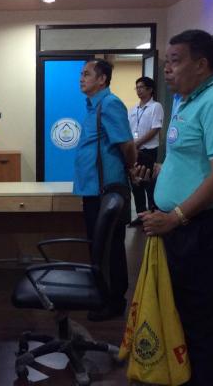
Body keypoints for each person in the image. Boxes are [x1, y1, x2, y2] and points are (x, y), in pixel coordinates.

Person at [139, 29, 213, 385]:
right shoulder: (185, 101)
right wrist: (157, 172)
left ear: (201, 65)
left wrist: (175, 217)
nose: (167, 69)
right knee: (178, 311)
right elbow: (187, 161)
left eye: (175, 61)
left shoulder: (212, 101)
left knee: (200, 316)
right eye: (166, 62)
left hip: (198, 228)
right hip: (177, 228)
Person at [74, 59, 137, 321]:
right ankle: (102, 295)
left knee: (110, 248)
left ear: (102, 79)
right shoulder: (93, 106)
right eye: (81, 74)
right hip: (93, 190)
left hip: (107, 191)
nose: (81, 78)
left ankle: (114, 301)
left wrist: (130, 167)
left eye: (87, 74)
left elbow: (127, 145)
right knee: (98, 247)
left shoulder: (110, 104)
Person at [128, 77, 163, 226]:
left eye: (141, 87)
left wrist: (138, 143)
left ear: (150, 89)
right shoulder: (133, 109)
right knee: (136, 184)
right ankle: (141, 215)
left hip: (148, 150)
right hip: (134, 151)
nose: (139, 90)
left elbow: (155, 129)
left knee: (149, 183)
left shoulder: (156, 106)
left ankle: (153, 215)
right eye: (137, 87)